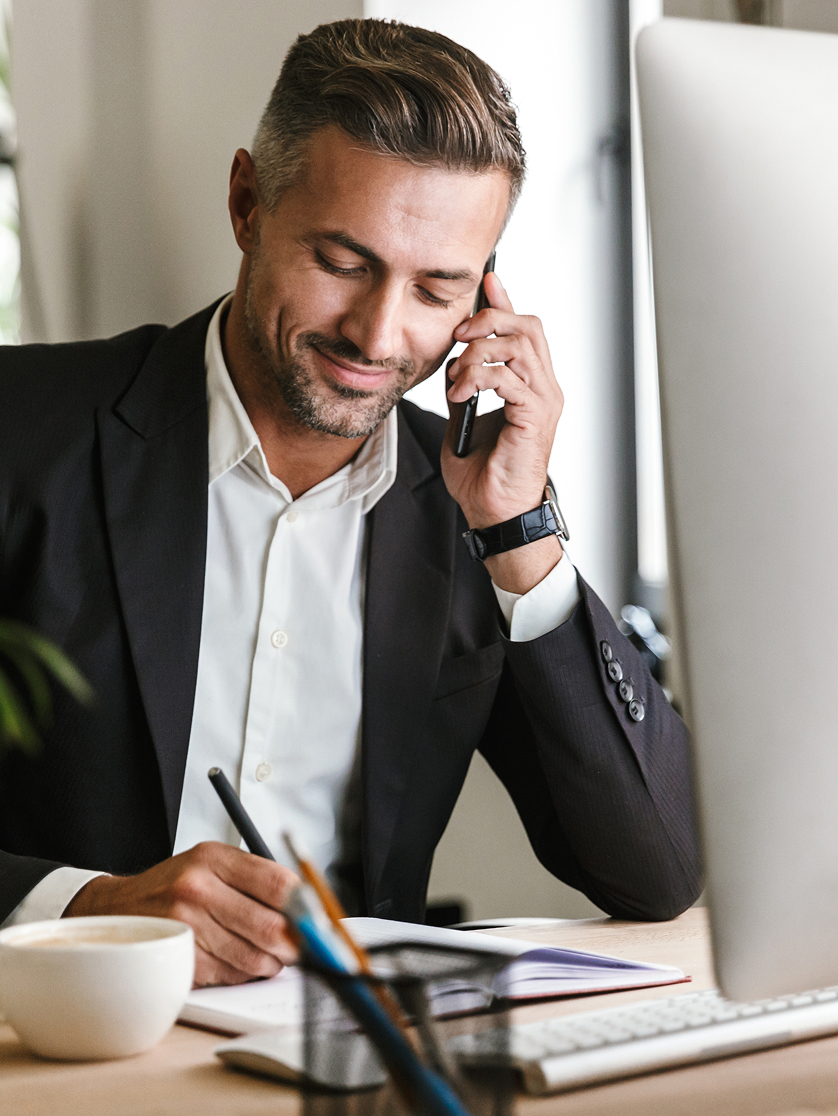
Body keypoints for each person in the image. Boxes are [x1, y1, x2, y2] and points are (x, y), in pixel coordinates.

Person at [0, 19, 700, 986]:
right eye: (342, 261)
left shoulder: (472, 507)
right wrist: (87, 905)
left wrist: (522, 535)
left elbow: (658, 870)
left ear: (483, 297)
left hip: (349, 1063)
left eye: (435, 288)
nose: (379, 333)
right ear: (248, 203)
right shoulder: (21, 430)